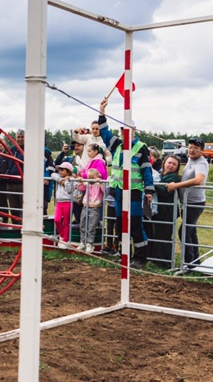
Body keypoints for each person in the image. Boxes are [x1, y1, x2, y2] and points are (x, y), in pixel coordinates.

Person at [97, 97, 154, 268]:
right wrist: (102, 112)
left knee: (135, 224)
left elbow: (146, 170)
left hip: (135, 192)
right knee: (121, 224)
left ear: (134, 130)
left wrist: (149, 190)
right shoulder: (117, 145)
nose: (124, 132)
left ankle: (140, 258)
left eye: (127, 129)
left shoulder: (140, 147)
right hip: (119, 191)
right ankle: (124, 255)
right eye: (122, 129)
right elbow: (104, 133)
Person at [167, 137, 209, 270]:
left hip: (194, 203)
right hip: (187, 202)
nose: (191, 150)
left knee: (184, 232)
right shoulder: (191, 160)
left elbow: (199, 180)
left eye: (195, 148)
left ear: (201, 151)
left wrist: (177, 185)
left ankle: (189, 262)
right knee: (190, 232)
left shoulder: (201, 163)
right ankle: (195, 261)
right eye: (190, 147)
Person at [148, 155, 182, 267]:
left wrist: (152, 184)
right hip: (158, 210)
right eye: (169, 162)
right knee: (156, 235)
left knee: (164, 237)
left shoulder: (174, 177)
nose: (171, 166)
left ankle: (165, 262)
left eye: (174, 164)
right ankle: (156, 258)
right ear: (164, 162)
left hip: (167, 211)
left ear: (177, 168)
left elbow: (164, 191)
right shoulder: (160, 174)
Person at [78, 167, 105, 253]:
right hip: (86, 206)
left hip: (95, 207)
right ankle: (82, 242)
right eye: (89, 177)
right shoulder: (88, 184)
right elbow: (80, 188)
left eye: (92, 178)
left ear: (97, 176)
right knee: (82, 224)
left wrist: (100, 182)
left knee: (91, 226)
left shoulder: (98, 184)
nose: (90, 179)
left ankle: (90, 243)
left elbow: (105, 191)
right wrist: (80, 180)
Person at [50, 161, 76, 245]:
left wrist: (66, 181)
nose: (60, 171)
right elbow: (52, 174)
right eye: (60, 169)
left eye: (62, 170)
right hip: (59, 202)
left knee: (66, 222)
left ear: (68, 171)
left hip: (67, 202)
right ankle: (62, 235)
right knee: (57, 220)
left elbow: (69, 190)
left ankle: (65, 240)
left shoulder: (72, 180)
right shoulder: (59, 177)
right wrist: (61, 179)